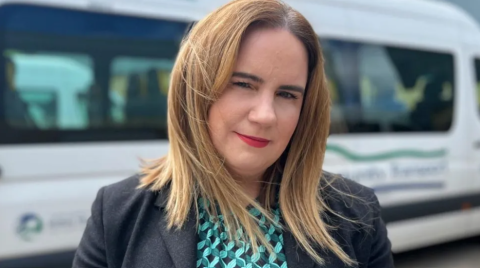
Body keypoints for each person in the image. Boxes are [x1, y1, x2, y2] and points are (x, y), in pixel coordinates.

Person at [73, 0, 394, 267]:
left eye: (287, 94)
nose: (265, 115)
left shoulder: (356, 215)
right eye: (243, 84)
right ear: (195, 89)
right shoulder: (117, 213)